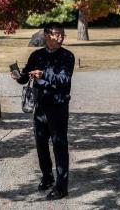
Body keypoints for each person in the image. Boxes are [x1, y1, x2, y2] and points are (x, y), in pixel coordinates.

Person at [10, 22, 74, 200]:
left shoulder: (67, 56)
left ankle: (61, 187)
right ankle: (47, 177)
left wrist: (44, 74)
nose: (60, 37)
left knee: (60, 146)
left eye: (63, 34)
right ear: (46, 35)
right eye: (56, 34)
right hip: (40, 108)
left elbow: (64, 79)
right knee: (41, 145)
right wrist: (18, 76)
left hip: (58, 107)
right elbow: (25, 78)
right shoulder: (36, 55)